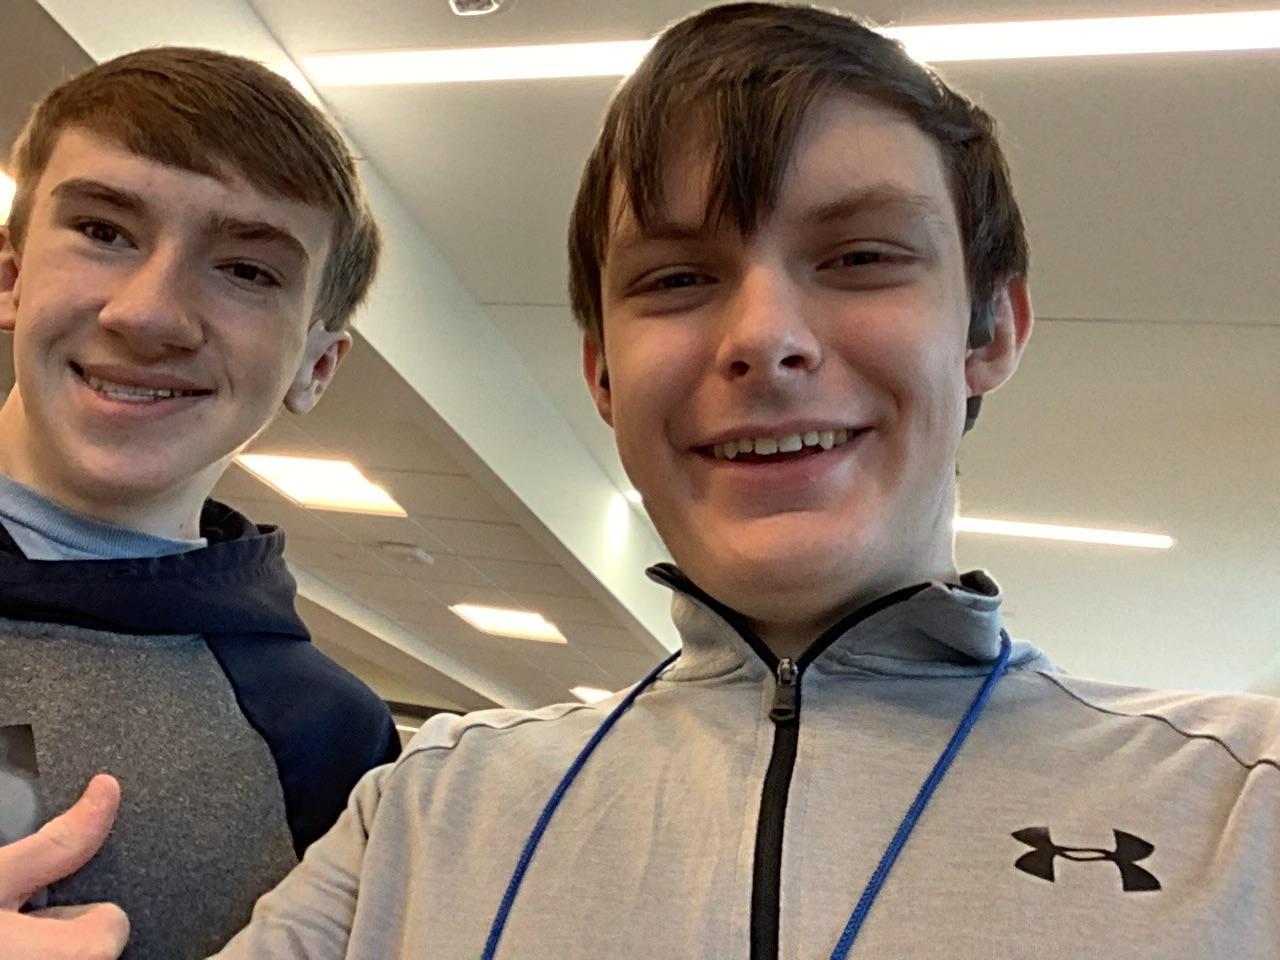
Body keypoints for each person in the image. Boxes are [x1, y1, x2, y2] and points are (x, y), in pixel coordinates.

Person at [36, 4, 1280, 958]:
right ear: (601, 373)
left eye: (857, 257)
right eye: (677, 280)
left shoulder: (1241, 804)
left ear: (989, 331)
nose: (763, 338)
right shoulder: (427, 807)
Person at [0, 47, 400, 959]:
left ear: (315, 366)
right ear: (11, 275)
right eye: (104, 230)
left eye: (248, 271)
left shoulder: (331, 739)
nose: (149, 315)